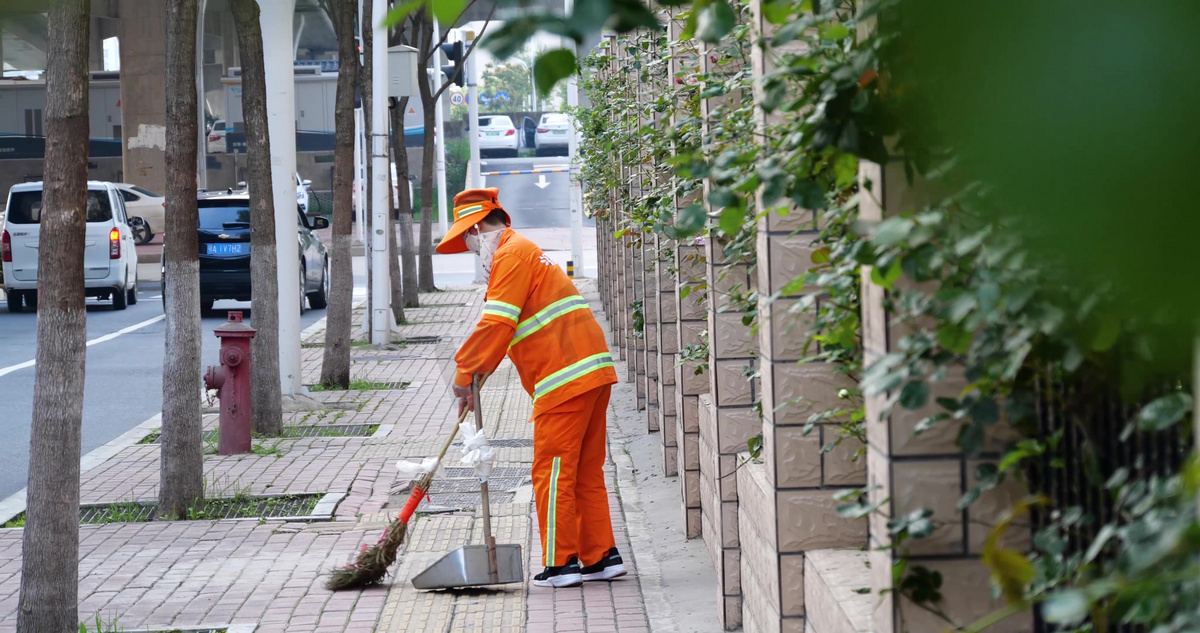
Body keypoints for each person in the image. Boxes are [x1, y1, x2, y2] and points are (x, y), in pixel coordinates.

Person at [437, 187, 626, 588]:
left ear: (477, 230)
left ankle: (561, 564)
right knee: (584, 470)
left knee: (552, 471)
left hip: (564, 378)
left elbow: (496, 323)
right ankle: (600, 556)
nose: (474, 252)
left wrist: (463, 377)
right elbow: (509, 328)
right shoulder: (524, 250)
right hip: (591, 370)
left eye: (470, 244)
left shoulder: (509, 254)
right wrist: (475, 380)